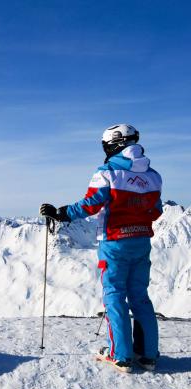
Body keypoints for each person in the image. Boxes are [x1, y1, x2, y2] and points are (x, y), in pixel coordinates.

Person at [40, 124, 162, 373]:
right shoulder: (153, 176)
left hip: (115, 243)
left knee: (115, 296)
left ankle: (121, 356)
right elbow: (157, 210)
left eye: (106, 145)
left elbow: (90, 205)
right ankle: (148, 355)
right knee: (140, 297)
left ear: (115, 144)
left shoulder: (107, 173)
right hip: (141, 242)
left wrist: (60, 213)